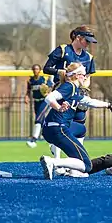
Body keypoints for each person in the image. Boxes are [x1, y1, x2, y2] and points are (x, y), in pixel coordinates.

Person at [39, 62, 112, 180]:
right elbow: (49, 98)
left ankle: (73, 168)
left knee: (81, 129)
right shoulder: (69, 86)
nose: (85, 77)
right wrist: (59, 107)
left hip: (52, 129)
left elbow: (89, 101)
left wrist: (110, 105)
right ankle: (53, 162)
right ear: (77, 75)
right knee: (87, 165)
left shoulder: (74, 89)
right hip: (58, 128)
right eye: (84, 75)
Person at [43, 25, 97, 159]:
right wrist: (59, 72)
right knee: (61, 124)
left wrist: (83, 89)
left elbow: (88, 77)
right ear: (78, 38)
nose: (88, 44)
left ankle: (75, 162)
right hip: (63, 93)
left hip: (78, 96)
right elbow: (46, 68)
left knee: (79, 126)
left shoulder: (89, 57)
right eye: (86, 40)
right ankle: (56, 161)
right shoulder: (63, 50)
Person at [25, 64, 53, 148]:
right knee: (42, 120)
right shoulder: (31, 80)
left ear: (40, 70)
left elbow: (51, 86)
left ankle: (34, 139)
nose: (35, 70)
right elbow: (28, 90)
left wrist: (48, 91)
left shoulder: (44, 79)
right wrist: (26, 97)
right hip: (36, 102)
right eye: (34, 69)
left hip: (44, 101)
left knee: (38, 119)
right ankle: (50, 138)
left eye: (37, 69)